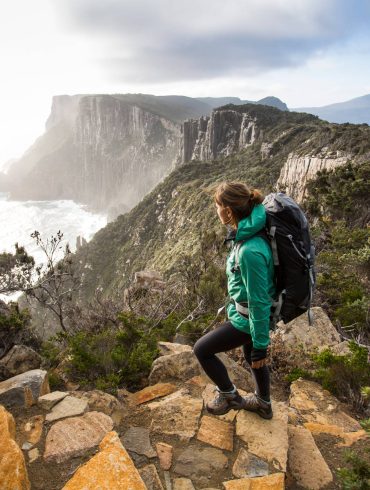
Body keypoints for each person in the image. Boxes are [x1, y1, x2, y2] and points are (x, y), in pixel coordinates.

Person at [193, 181, 276, 419]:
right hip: (247, 316)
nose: (215, 211)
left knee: (202, 349)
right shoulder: (249, 230)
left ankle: (229, 395)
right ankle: (263, 403)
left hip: (249, 319)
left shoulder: (250, 250)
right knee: (252, 359)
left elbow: (259, 301)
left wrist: (261, 344)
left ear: (228, 210)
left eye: (217, 206)